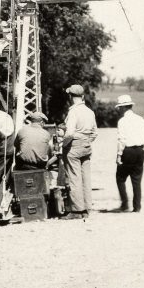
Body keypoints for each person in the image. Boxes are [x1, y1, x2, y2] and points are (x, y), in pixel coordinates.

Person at [62, 84, 98, 220]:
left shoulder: (73, 112)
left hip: (74, 146)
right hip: (87, 145)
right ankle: (87, 208)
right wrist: (86, 141)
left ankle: (77, 211)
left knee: (74, 178)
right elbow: (95, 133)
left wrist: (63, 144)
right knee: (86, 178)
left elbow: (70, 133)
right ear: (82, 96)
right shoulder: (90, 111)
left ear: (70, 97)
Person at [115, 94, 144, 213]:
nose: (119, 110)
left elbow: (122, 140)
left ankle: (124, 203)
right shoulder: (140, 119)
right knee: (137, 179)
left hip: (127, 151)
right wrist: (143, 149)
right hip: (140, 150)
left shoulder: (122, 121)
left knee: (120, 178)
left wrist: (119, 155)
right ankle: (137, 206)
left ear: (123, 107)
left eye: (119, 108)